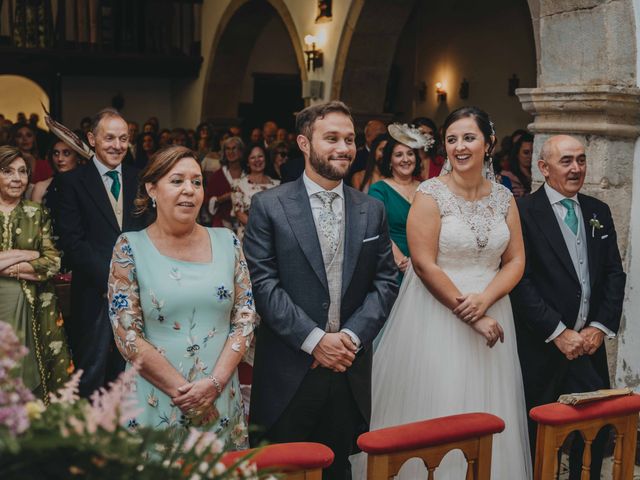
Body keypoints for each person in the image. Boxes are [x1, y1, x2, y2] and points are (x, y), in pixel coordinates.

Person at [354, 107, 532, 479]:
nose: (460, 147)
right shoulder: (430, 193)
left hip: (495, 311)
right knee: (441, 404)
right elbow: (424, 264)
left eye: (469, 138)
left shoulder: (503, 198)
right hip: (437, 315)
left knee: (491, 406)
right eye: (452, 139)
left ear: (489, 143)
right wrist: (471, 312)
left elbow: (515, 260)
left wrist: (486, 300)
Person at [243, 101, 398, 480]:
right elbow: (262, 284)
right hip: (290, 370)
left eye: (349, 139)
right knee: (282, 471)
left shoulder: (371, 209)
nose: (344, 148)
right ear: (304, 143)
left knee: (338, 469)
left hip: (347, 369)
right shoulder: (269, 205)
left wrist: (349, 337)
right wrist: (314, 341)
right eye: (331, 139)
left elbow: (386, 280)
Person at [108, 145, 255, 446]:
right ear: (152, 188)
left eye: (197, 182)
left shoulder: (228, 241)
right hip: (156, 400)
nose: (189, 190)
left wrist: (213, 386)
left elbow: (245, 318)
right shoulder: (129, 247)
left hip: (220, 399)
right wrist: (186, 393)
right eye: (177, 181)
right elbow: (127, 334)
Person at [510, 135, 626, 480]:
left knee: (595, 431)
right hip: (541, 346)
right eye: (566, 161)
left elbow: (613, 275)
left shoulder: (597, 211)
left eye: (581, 159)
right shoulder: (522, 213)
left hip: (587, 346)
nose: (576, 168)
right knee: (537, 434)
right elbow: (520, 281)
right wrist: (558, 332)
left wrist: (597, 328)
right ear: (543, 168)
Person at [55, 108, 146, 397]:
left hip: (136, 292)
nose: (117, 145)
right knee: (91, 370)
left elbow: (148, 233)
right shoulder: (71, 182)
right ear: (92, 139)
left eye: (123, 138)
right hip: (94, 293)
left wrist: (134, 279)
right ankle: (90, 436)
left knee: (132, 370)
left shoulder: (139, 179)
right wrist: (111, 280)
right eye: (109, 138)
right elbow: (72, 242)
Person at [0, 146, 73, 401]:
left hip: (34, 308)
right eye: (7, 171)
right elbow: (42, 258)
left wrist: (11, 265)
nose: (17, 178)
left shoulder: (36, 212)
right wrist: (29, 254)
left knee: (29, 371)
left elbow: (53, 262)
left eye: (22, 172)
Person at [368, 126, 426, 283]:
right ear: (390, 161)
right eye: (399, 155)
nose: (406, 159)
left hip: (425, 263)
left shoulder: (427, 188)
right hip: (393, 264)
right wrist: (401, 261)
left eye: (410, 154)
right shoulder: (379, 190)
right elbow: (376, 229)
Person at [232, 144, 279, 241]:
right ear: (248, 162)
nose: (257, 160)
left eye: (260, 156)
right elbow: (239, 213)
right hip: (249, 237)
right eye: (253, 157)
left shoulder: (277, 185)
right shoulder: (238, 184)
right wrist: (262, 230)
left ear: (265, 159)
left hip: (273, 237)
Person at [204, 136, 245, 228]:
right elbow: (208, 202)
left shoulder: (248, 174)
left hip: (246, 225)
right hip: (222, 225)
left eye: (234, 148)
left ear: (241, 151)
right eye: (228, 149)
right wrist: (223, 198)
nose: (231, 152)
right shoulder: (217, 176)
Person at [31, 139, 82, 204]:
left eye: (66, 153)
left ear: (78, 157)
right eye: (56, 153)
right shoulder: (41, 187)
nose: (60, 158)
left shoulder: (87, 185)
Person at [347, 119, 386, 184]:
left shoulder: (389, 156)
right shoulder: (355, 157)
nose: (382, 139)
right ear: (368, 136)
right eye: (379, 135)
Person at [501, 132, 533, 198]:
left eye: (533, 152)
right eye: (526, 152)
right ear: (517, 154)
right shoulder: (507, 177)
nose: (530, 156)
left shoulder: (539, 175)